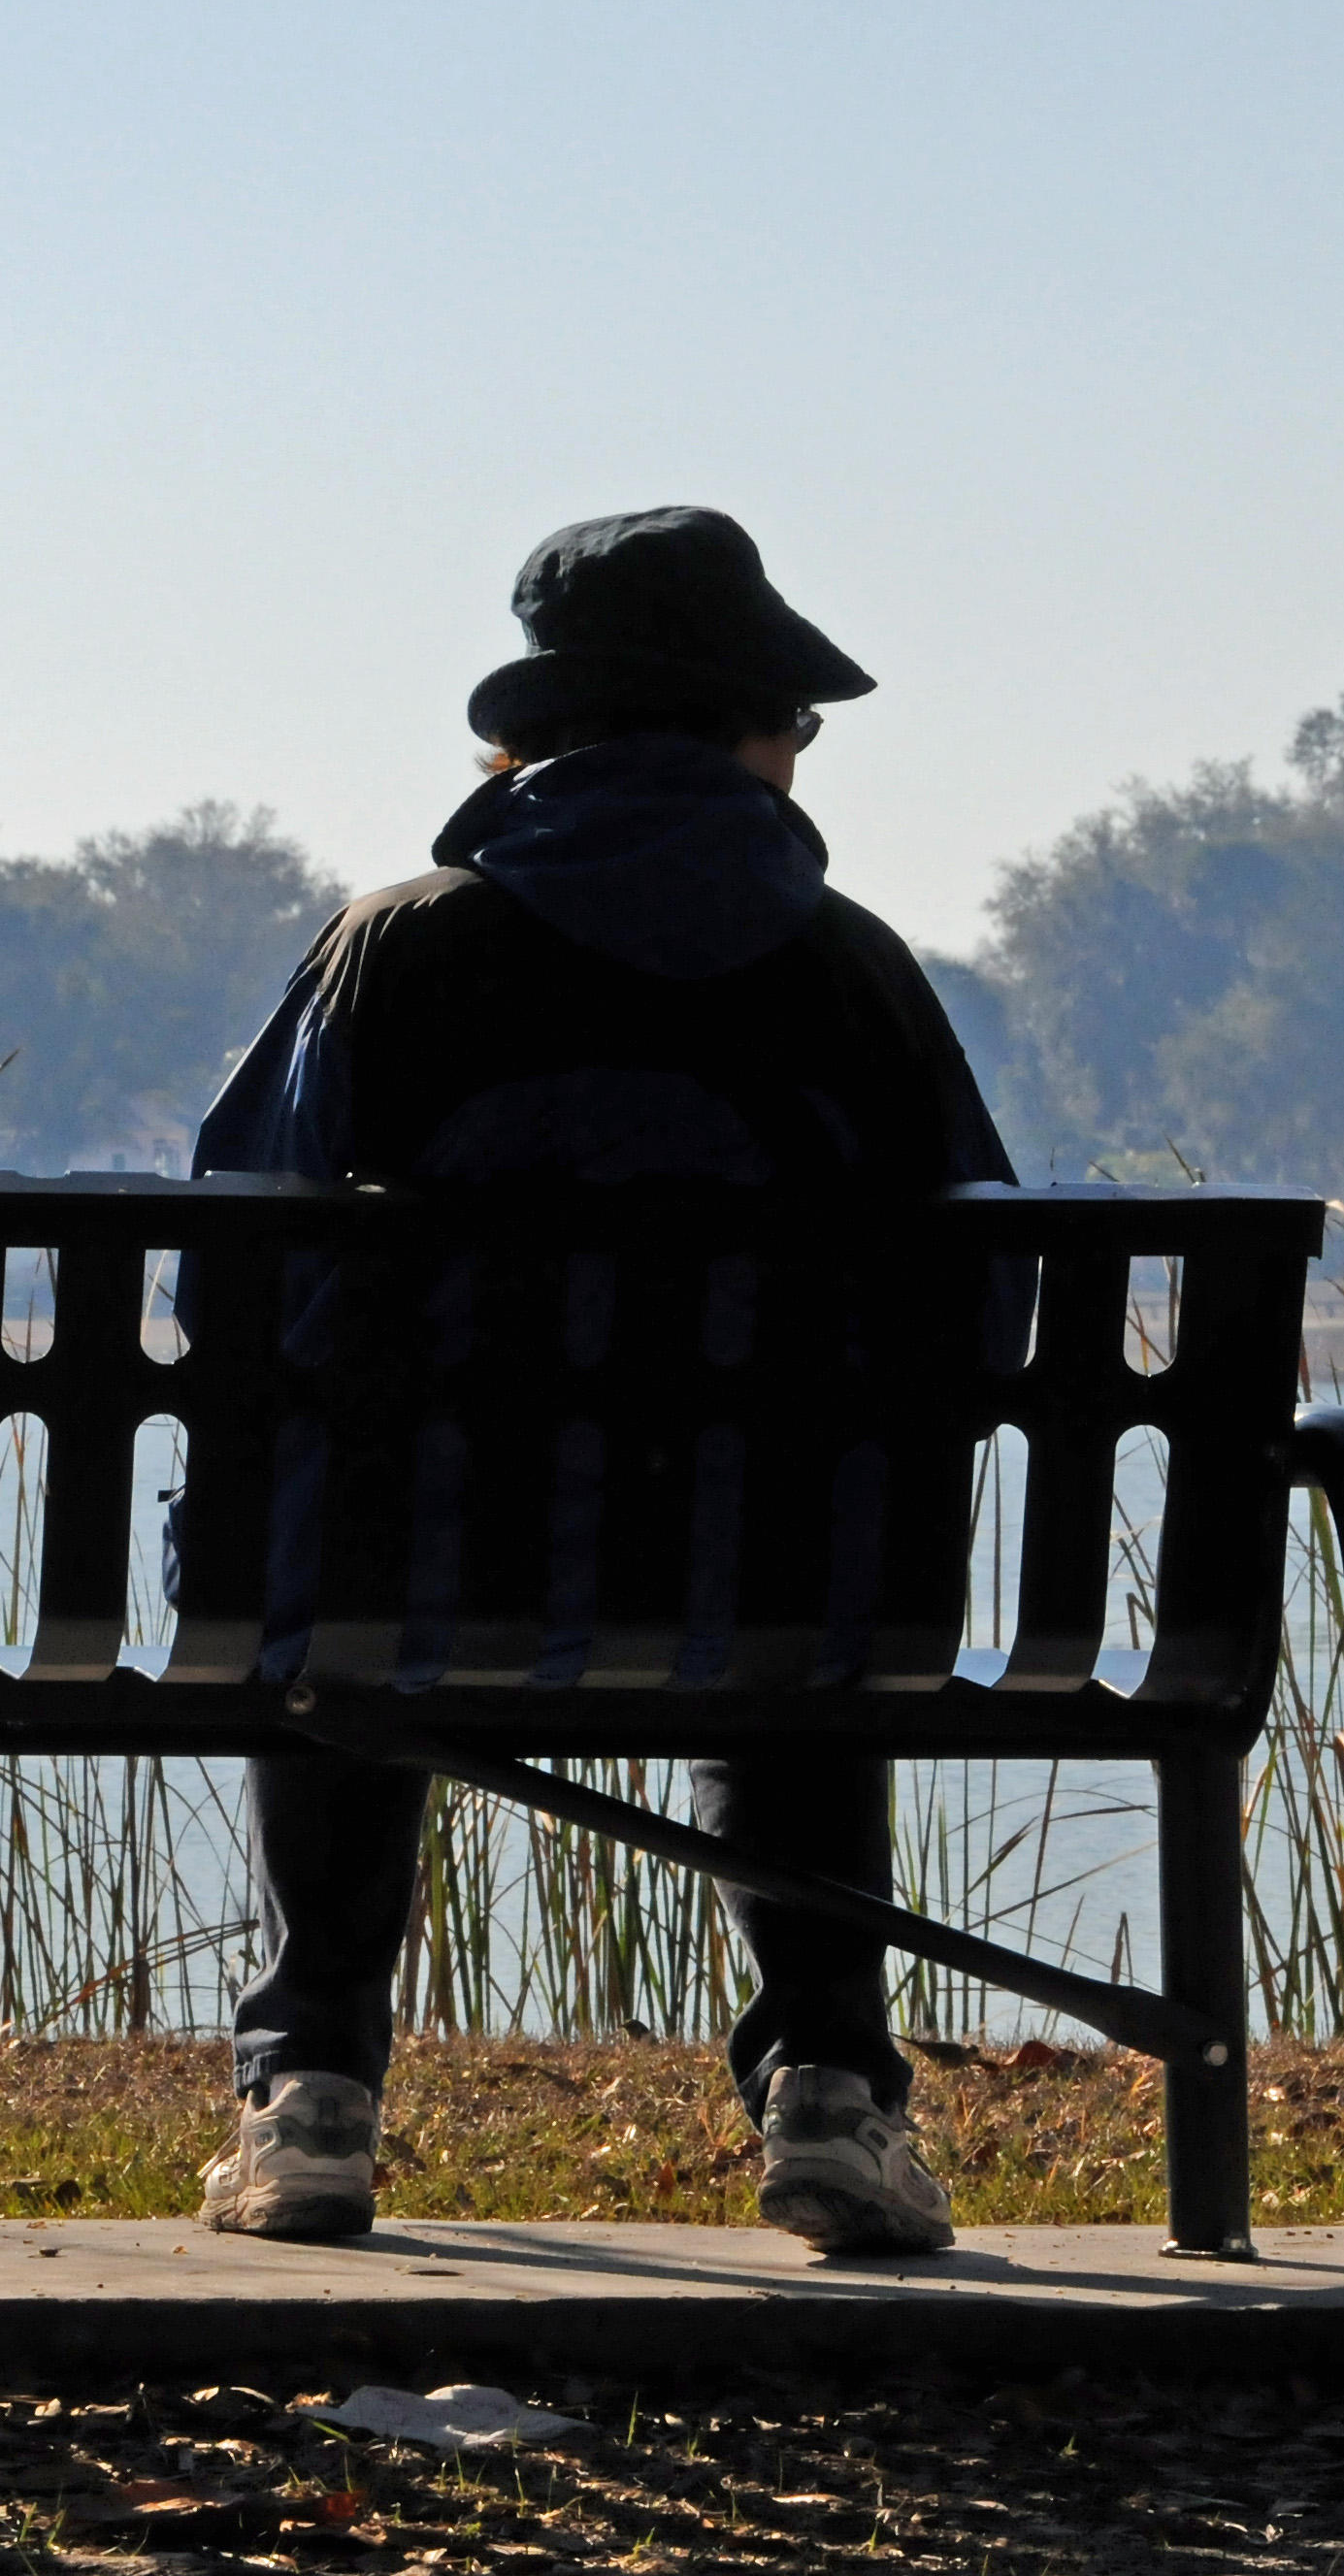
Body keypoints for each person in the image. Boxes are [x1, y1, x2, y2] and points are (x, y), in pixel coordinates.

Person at [186, 505, 1013, 2258]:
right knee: (801, 1561)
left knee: (347, 1554)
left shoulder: (392, 951)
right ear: (746, 735)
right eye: (797, 721)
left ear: (530, 743)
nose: (803, 756)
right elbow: (983, 1300)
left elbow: (232, 1266)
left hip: (398, 1575)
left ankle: (317, 2087)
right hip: (778, 1587)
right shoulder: (850, 973)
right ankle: (834, 2095)